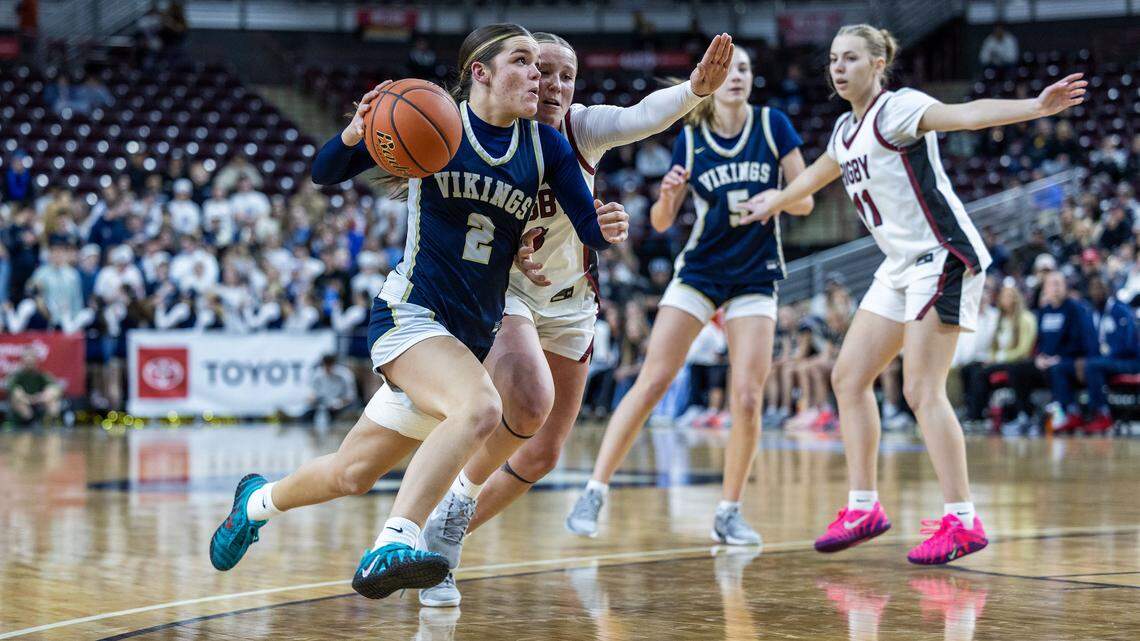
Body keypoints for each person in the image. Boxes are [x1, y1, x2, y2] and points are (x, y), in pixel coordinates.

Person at [206, 23, 628, 601]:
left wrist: (605, 228)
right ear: (480, 72)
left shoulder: (546, 146)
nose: (538, 74)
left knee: (351, 473)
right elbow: (325, 172)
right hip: (412, 315)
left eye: (542, 65)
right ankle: (394, 541)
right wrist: (356, 135)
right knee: (482, 406)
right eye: (524, 61)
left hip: (468, 335)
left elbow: (586, 232)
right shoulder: (434, 118)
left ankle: (254, 503)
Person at [735, 24, 1085, 564]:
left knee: (923, 391)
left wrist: (1036, 108)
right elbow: (818, 177)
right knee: (848, 378)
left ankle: (962, 520)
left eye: (850, 58)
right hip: (899, 266)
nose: (838, 67)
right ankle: (863, 507)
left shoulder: (898, 109)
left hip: (942, 254)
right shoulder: (843, 131)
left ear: (878, 64)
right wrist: (774, 202)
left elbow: (965, 113)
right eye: (833, 59)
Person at [409, 32, 735, 607]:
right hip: (506, 292)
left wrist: (691, 91)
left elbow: (643, 117)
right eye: (543, 71)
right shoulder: (489, 128)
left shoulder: (582, 127)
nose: (554, 85)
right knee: (528, 403)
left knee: (543, 452)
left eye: (566, 75)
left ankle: (442, 542)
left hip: (571, 300)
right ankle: (451, 501)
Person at [565, 43, 811, 547]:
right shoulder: (692, 137)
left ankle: (729, 510)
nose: (737, 76)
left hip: (754, 273)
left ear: (751, 77)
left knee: (746, 396)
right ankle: (594, 489)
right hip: (700, 269)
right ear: (716, 80)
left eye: (745, 68)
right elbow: (658, 223)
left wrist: (779, 199)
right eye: (731, 70)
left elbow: (805, 198)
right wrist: (669, 198)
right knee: (654, 379)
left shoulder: (773, 126)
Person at [1060, 277, 1138, 433]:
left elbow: (1127, 345)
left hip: (1130, 361)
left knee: (1093, 365)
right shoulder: (1090, 314)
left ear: (1108, 290)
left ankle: (1102, 414)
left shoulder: (1120, 310)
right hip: (1100, 362)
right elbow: (1088, 344)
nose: (1097, 292)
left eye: (1100, 288)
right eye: (1094, 289)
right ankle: (1071, 413)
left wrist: (1098, 359)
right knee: (1061, 367)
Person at [6, 347, 63, 426]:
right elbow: (13, 390)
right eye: (27, 360)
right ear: (22, 361)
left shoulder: (41, 374)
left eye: (32, 360)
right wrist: (26, 398)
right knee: (17, 395)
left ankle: (51, 422)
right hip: (23, 404)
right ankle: (28, 422)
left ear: (36, 361)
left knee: (53, 401)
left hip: (39, 402)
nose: (29, 362)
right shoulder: (16, 376)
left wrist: (42, 397)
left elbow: (55, 388)